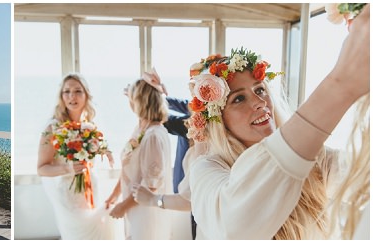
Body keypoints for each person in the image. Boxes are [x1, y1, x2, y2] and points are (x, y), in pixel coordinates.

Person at [184, 9, 368, 239]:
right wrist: (340, 85)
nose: (260, 102)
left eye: (260, 90)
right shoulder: (207, 169)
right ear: (221, 121)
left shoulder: (314, 158)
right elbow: (234, 225)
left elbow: (361, 175)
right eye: (238, 98)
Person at [36, 74, 116, 240]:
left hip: (91, 188)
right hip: (69, 197)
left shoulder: (90, 127)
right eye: (67, 91)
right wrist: (68, 168)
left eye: (78, 91)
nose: (72, 96)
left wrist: (104, 151)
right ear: (62, 96)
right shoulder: (52, 128)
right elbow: (42, 169)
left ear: (86, 95)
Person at [106, 71, 171, 240]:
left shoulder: (154, 136)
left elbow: (151, 184)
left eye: (132, 97)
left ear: (140, 101)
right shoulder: (140, 129)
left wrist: (123, 206)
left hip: (146, 212)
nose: (129, 101)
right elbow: (129, 169)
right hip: (133, 206)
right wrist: (114, 196)